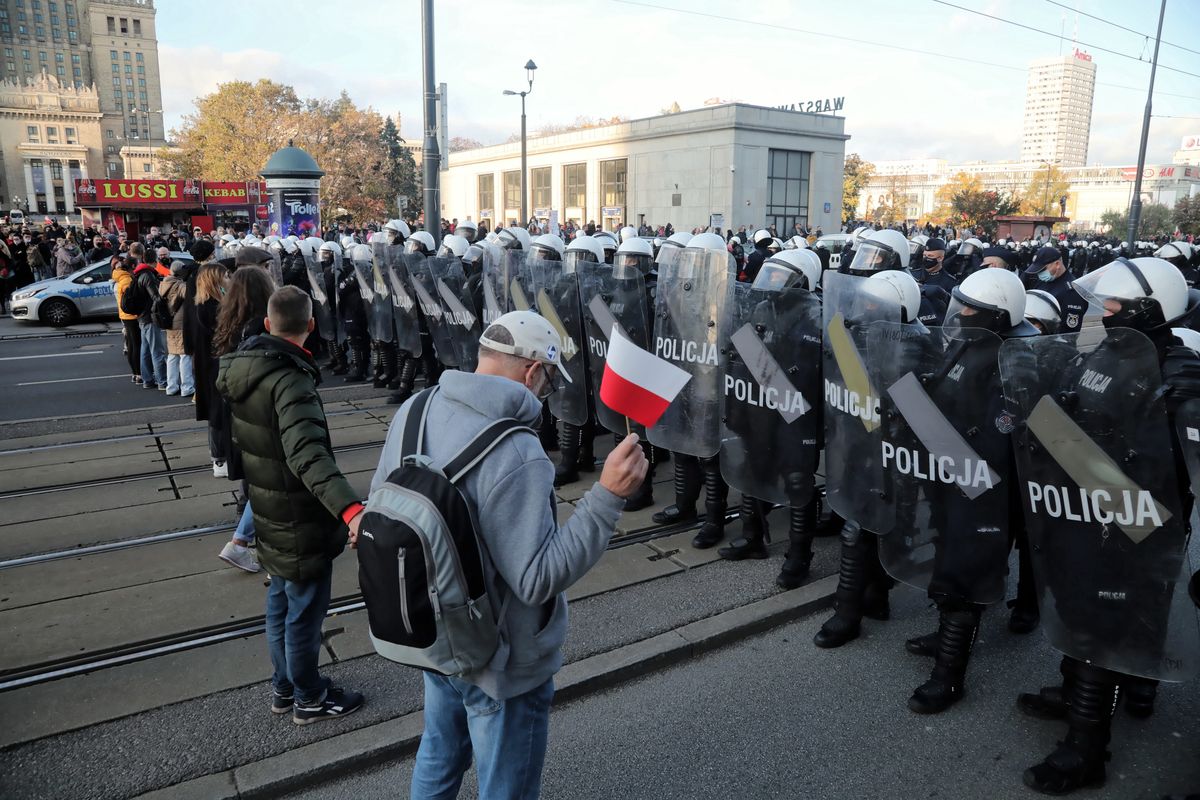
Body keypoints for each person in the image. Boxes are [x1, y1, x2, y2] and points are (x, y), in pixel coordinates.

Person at [372, 310, 647, 799]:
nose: (544, 393)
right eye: (547, 381)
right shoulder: (517, 450)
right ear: (531, 371)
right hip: (500, 662)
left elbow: (381, 502)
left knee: (438, 758)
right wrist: (607, 495)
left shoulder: (414, 410)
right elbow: (537, 578)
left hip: (436, 636)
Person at [216, 285, 366, 724]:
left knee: (280, 603)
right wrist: (351, 510)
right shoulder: (290, 378)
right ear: (312, 327)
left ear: (267, 325)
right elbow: (307, 456)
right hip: (300, 518)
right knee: (302, 614)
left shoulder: (247, 370)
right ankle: (310, 698)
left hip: (267, 508)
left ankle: (284, 687)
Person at [211, 259, 277, 572]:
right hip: (256, 417)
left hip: (235, 416)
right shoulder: (258, 328)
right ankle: (240, 542)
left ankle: (247, 540)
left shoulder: (228, 323)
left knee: (259, 483)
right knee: (268, 483)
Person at [185, 257, 230, 476]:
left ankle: (219, 456)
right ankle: (219, 458)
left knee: (216, 410)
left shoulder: (200, 304)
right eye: (225, 276)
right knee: (217, 410)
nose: (228, 279)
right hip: (214, 364)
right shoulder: (210, 306)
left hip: (206, 364)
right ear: (215, 280)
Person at [1024, 246, 1087, 333]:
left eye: (1042, 270)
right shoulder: (1043, 281)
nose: (1039, 274)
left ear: (1057, 264)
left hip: (1052, 343)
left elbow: (1067, 333)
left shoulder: (1071, 292)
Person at [159, 260, 196, 397]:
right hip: (180, 323)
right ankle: (187, 387)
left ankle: (171, 386)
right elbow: (193, 296)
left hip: (168, 323)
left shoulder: (164, 283)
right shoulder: (180, 285)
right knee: (184, 355)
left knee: (172, 355)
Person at [112, 255, 142, 384]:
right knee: (135, 345)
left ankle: (135, 373)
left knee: (131, 344)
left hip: (125, 315)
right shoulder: (127, 280)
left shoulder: (120, 277)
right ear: (133, 267)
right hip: (131, 316)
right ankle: (138, 373)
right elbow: (133, 299)